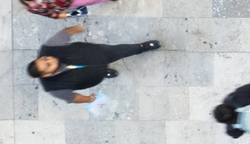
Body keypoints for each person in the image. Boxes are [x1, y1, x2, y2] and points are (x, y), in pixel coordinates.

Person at [27, 26, 160, 103]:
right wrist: (89, 99)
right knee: (99, 73)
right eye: (48, 65)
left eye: (45, 59)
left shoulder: (48, 48)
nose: (51, 59)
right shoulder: (54, 89)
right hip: (92, 77)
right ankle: (104, 72)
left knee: (120, 51)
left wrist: (76, 29)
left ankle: (141, 47)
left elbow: (65, 32)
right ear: (46, 75)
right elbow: (74, 98)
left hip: (96, 53)